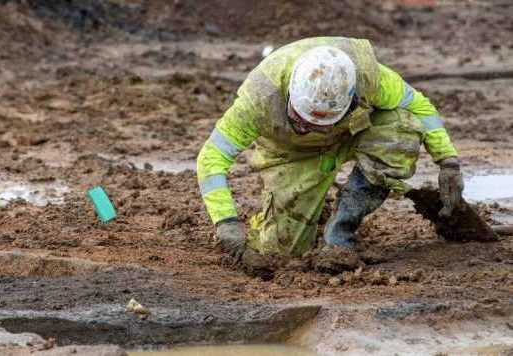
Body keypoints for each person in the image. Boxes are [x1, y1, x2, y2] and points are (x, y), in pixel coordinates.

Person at [196, 37, 463, 271]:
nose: (310, 129)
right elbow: (211, 159)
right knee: (278, 252)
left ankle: (340, 231)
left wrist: (448, 161)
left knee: (400, 129)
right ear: (290, 96)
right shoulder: (258, 98)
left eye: (320, 123)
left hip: (350, 135)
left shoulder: (366, 77)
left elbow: (420, 107)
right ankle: (306, 213)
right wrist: (226, 222)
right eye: (301, 121)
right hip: (292, 156)